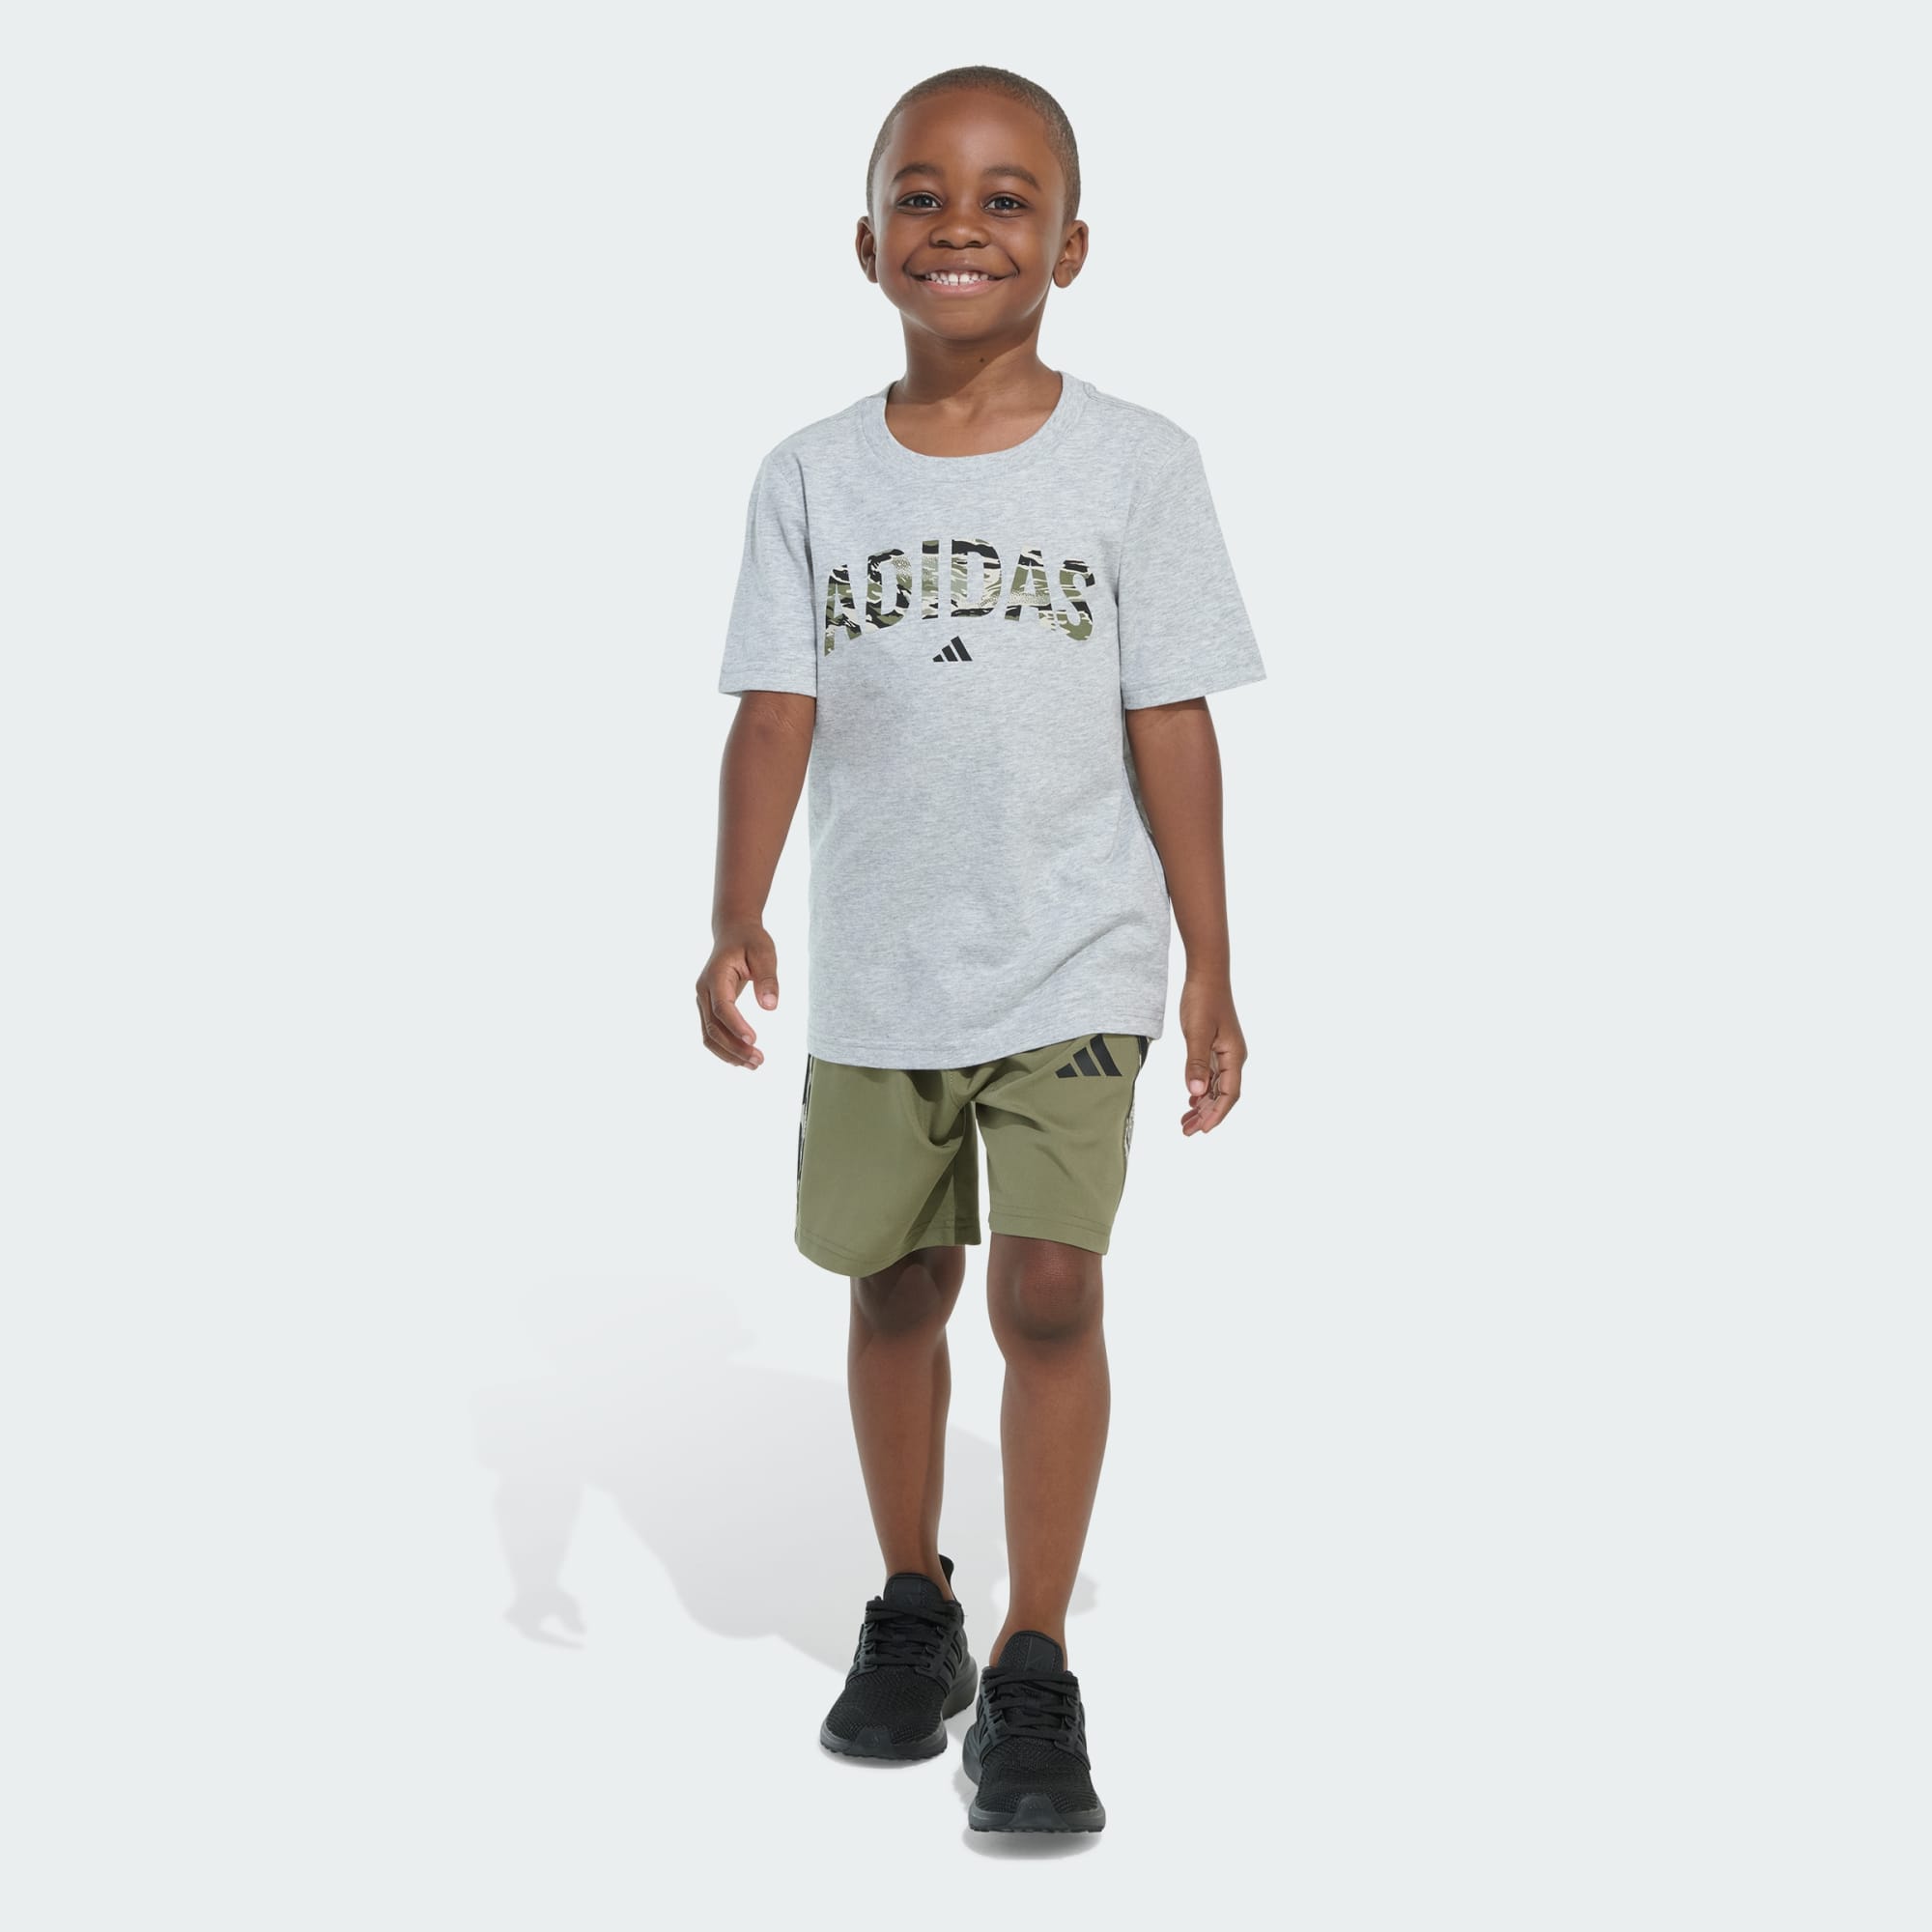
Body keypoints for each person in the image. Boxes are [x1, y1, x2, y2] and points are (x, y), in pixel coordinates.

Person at [699, 65, 1264, 1836]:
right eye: (922, 193)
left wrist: (1210, 959)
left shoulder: (1139, 464)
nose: (961, 224)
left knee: (1049, 1290)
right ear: (866, 238)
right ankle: (916, 1606)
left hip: (1077, 955)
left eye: (1008, 197)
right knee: (894, 1284)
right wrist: (733, 912)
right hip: (884, 967)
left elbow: (1171, 719)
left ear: (1071, 246)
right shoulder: (810, 475)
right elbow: (773, 711)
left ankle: (1034, 1662)